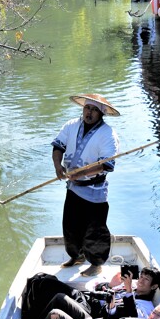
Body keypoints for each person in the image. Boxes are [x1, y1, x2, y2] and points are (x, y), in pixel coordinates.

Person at [52, 93, 121, 276]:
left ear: (101, 114)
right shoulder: (71, 125)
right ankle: (77, 255)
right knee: (70, 225)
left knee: (95, 229)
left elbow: (107, 164)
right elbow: (58, 147)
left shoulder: (108, 134)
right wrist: (58, 166)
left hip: (94, 190)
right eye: (87, 108)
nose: (89, 112)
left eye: (94, 110)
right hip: (74, 187)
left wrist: (80, 173)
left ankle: (96, 263)